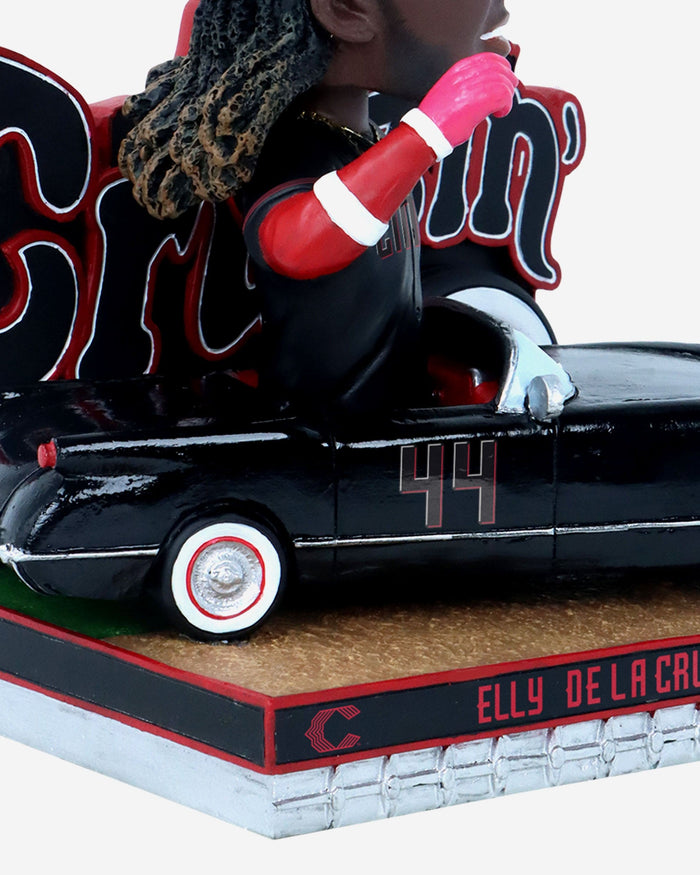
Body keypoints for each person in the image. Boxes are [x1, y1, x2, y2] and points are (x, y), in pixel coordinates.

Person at [119, 0, 518, 414]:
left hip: (389, 415)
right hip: (321, 429)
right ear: (346, 10)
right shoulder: (295, 146)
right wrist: (429, 131)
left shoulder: (363, 139)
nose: (500, 7)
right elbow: (290, 244)